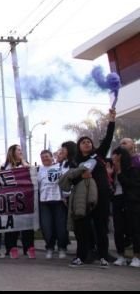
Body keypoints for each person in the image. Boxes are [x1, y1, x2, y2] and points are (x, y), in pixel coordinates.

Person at [74, 108, 116, 269]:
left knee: (101, 227)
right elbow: (71, 179)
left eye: (89, 142)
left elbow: (108, 138)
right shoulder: (75, 162)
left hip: (102, 195)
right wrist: (80, 176)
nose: (87, 143)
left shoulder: (98, 155)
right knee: (82, 229)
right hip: (83, 198)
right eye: (83, 142)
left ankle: (103, 256)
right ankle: (81, 256)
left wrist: (112, 120)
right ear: (79, 147)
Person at [111, 147, 140, 268]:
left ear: (121, 157)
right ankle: (121, 255)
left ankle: (136, 257)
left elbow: (131, 185)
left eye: (115, 156)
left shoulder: (132, 169)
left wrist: (119, 173)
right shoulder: (112, 169)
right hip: (117, 200)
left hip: (130, 201)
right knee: (118, 229)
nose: (113, 159)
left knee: (134, 229)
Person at [38, 150, 68, 259]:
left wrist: (65, 196)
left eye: (46, 156)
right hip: (44, 202)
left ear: (52, 157)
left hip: (59, 201)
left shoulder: (60, 167)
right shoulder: (38, 170)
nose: (44, 158)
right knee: (46, 227)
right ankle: (49, 247)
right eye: (42, 157)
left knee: (61, 227)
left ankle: (62, 248)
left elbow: (66, 181)